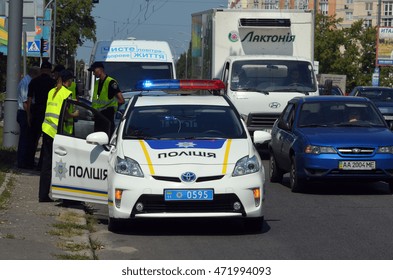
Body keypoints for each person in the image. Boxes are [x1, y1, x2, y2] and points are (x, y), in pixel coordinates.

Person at [39, 70, 79, 202]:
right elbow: (66, 114)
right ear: (68, 81)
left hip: (47, 129)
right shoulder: (66, 93)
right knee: (62, 164)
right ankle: (64, 196)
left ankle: (43, 195)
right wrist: (75, 115)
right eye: (71, 80)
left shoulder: (52, 91)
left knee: (46, 164)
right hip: (58, 132)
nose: (72, 83)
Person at [26, 60, 56, 169]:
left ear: (42, 70)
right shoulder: (53, 83)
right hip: (48, 113)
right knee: (46, 140)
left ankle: (29, 162)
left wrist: (29, 115)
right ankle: (41, 164)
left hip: (36, 111)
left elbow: (29, 99)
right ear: (49, 71)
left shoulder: (34, 82)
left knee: (33, 139)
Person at [88, 61, 124, 133]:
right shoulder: (97, 83)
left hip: (107, 118)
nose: (93, 73)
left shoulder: (111, 82)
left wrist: (110, 108)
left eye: (94, 71)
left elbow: (121, 100)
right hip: (98, 118)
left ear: (100, 70)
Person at [16, 65, 40, 169]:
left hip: (24, 112)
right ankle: (22, 162)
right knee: (25, 139)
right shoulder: (27, 83)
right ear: (34, 73)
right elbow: (26, 102)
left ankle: (25, 161)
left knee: (27, 138)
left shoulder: (27, 81)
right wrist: (29, 116)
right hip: (24, 112)